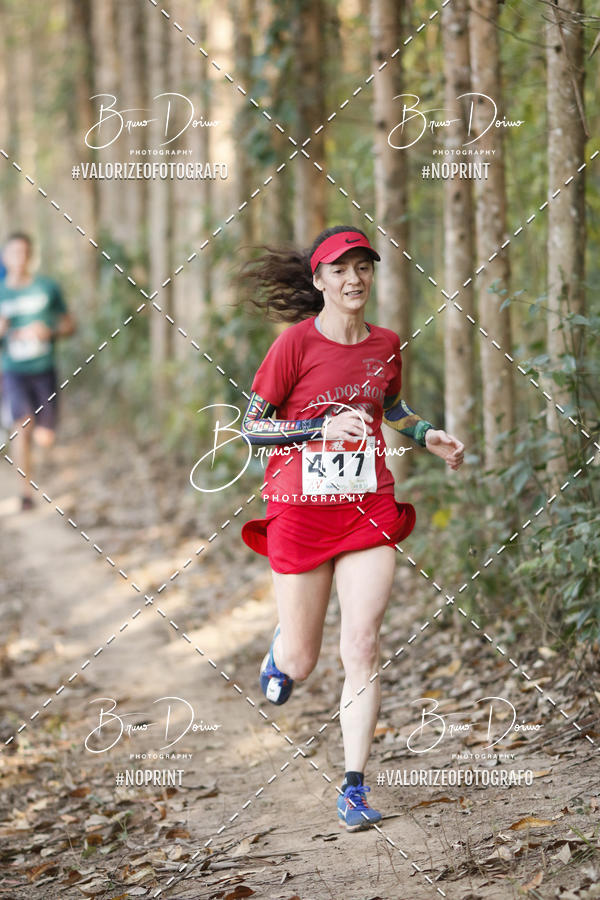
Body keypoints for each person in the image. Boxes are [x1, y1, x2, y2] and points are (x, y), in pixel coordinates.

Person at [239, 225, 464, 832]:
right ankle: (282, 653)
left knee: (362, 645)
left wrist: (427, 434)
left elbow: (390, 406)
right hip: (300, 510)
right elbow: (252, 428)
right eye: (339, 269)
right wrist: (317, 429)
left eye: (362, 267)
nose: (353, 278)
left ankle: (355, 787)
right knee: (303, 660)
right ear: (319, 280)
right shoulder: (294, 345)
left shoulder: (386, 343)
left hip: (367, 506)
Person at [0, 233, 76, 510]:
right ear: (5, 258)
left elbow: (70, 325)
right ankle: (26, 493)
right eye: (14, 253)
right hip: (12, 371)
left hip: (44, 370)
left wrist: (50, 331)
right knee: (22, 425)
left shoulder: (47, 288)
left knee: (44, 437)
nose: (19, 259)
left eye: (24, 253)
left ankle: (35, 465)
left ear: (31, 256)